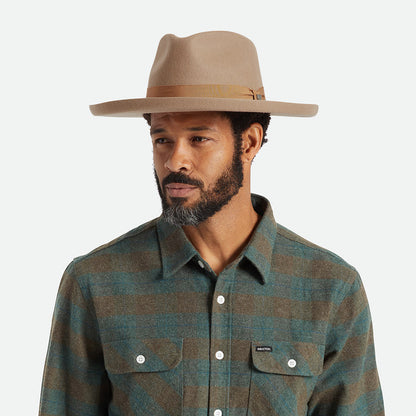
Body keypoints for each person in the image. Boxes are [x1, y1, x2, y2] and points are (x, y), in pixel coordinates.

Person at [38, 31, 384, 416]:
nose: (175, 161)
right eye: (162, 140)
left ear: (249, 143)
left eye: (199, 139)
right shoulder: (96, 283)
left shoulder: (331, 289)